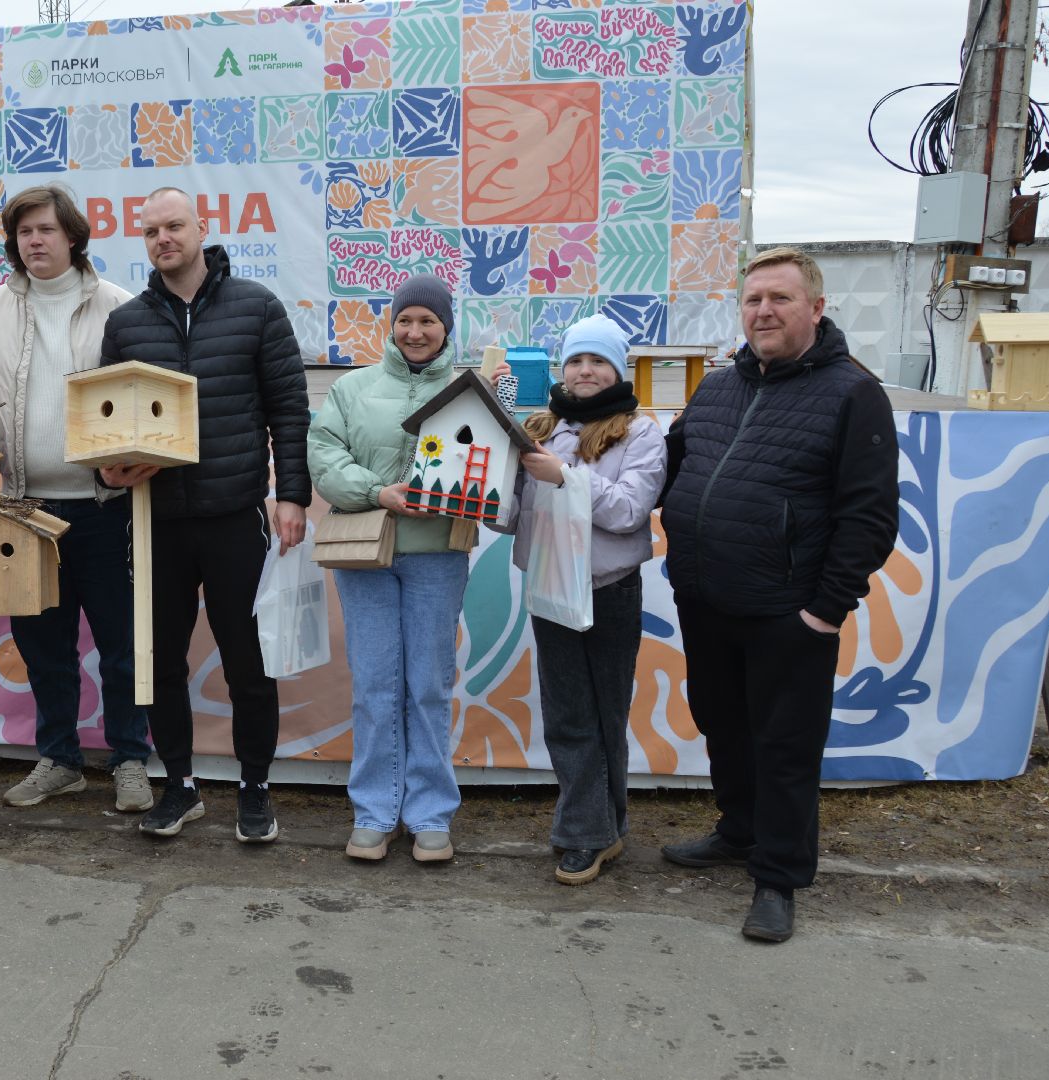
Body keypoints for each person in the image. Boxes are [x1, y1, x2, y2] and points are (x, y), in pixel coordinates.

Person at [659, 247, 899, 942]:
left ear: (816, 309)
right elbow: (673, 468)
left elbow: (871, 517)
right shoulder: (718, 385)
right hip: (706, 599)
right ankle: (739, 832)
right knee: (722, 725)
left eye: (780, 299)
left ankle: (779, 875)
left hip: (787, 613)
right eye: (753, 299)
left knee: (784, 746)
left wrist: (824, 611)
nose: (763, 310)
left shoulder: (854, 393)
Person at [97, 186, 311, 843]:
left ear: (201, 228)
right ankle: (180, 786)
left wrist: (293, 494)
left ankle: (254, 788)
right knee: (159, 663)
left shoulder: (256, 308)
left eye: (174, 226)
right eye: (152, 230)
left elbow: (289, 408)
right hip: (155, 520)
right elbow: (104, 421)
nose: (164, 238)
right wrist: (106, 472)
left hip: (233, 519)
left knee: (248, 662)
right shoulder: (127, 323)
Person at [0, 185, 152, 814]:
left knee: (123, 644)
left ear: (73, 235)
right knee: (44, 646)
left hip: (104, 506)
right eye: (23, 232)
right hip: (23, 506)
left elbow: (142, 400)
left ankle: (129, 759)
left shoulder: (118, 306)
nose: (34, 241)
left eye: (45, 229)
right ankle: (60, 760)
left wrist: (134, 458)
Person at [307, 274, 472, 864]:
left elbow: (490, 460)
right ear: (392, 324)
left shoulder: (466, 390)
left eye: (428, 320)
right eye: (406, 319)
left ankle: (430, 813)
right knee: (376, 688)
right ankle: (375, 811)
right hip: (364, 556)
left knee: (428, 686)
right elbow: (324, 456)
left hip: (437, 557)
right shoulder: (352, 389)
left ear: (446, 327)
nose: (415, 331)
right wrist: (379, 492)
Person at [505, 313, 666, 884]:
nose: (586, 370)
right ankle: (591, 832)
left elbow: (628, 511)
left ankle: (601, 828)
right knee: (571, 716)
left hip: (610, 590)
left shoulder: (640, 432)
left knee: (605, 713)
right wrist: (493, 483)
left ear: (618, 368)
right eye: (576, 360)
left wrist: (564, 477)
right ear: (562, 368)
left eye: (598, 360)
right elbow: (512, 515)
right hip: (551, 585)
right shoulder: (541, 427)